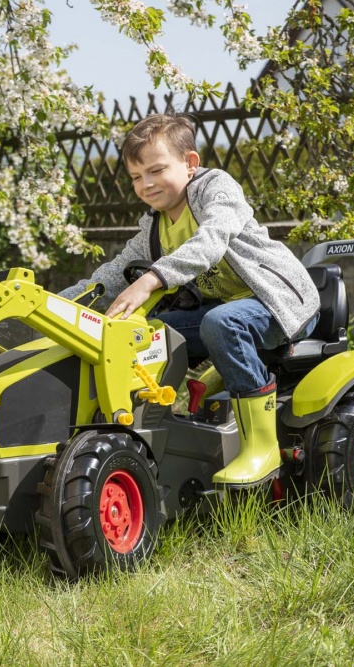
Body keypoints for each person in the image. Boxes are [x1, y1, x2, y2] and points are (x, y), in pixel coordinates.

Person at [59, 113, 320, 488]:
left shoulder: (217, 190)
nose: (146, 184)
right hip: (226, 309)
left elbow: (211, 240)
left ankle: (262, 448)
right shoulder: (154, 225)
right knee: (150, 333)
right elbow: (114, 274)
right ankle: (156, 436)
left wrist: (152, 279)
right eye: (136, 177)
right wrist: (59, 305)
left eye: (156, 170)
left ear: (190, 163)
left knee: (223, 323)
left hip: (279, 303)